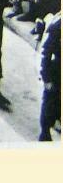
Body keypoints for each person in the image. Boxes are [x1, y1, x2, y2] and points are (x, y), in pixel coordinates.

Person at [38, 12, 60, 141]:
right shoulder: (58, 23)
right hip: (57, 73)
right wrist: (46, 77)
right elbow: (45, 52)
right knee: (50, 104)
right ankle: (45, 134)